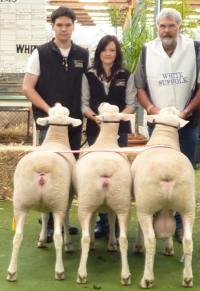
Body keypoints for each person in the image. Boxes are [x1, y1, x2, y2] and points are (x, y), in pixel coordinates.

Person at [23, 6, 89, 242]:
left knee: (68, 174)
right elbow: (27, 88)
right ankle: (48, 223)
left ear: (73, 26)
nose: (63, 29)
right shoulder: (40, 53)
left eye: (68, 25)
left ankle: (64, 220)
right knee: (49, 172)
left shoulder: (82, 54)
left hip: (72, 126)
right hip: (49, 126)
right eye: (59, 25)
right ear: (53, 27)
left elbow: (85, 89)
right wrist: (49, 110)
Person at [134, 8, 200, 243]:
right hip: (158, 127)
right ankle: (152, 223)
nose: (166, 30)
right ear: (157, 28)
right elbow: (140, 86)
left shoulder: (194, 48)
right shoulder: (147, 50)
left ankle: (182, 225)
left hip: (187, 124)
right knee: (155, 173)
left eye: (171, 25)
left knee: (185, 174)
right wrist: (152, 110)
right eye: (162, 26)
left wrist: (186, 111)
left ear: (179, 27)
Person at [81, 34, 136, 238]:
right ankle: (103, 224)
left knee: (116, 174)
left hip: (118, 133)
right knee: (97, 174)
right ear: (99, 52)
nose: (108, 53)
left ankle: (116, 222)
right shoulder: (88, 75)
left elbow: (131, 104)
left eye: (112, 50)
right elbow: (84, 104)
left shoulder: (125, 75)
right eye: (105, 49)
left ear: (117, 53)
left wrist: (116, 117)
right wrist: (95, 118)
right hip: (96, 130)